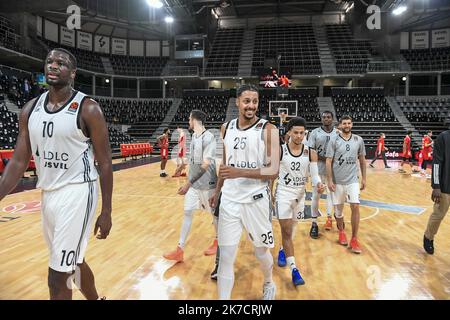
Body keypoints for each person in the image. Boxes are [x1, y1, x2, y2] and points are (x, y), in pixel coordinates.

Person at [0, 48, 113, 300]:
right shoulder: (30, 109)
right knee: (74, 262)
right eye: (49, 61)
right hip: (49, 194)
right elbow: (19, 161)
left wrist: (106, 211)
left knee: (57, 276)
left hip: (79, 192)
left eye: (60, 63)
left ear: (72, 73)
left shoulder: (88, 108)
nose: (53, 65)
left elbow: (105, 163)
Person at [209, 83, 280, 300]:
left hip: (256, 200)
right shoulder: (226, 128)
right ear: (238, 102)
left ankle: (268, 282)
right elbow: (225, 164)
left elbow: (273, 170)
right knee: (227, 257)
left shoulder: (269, 129)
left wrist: (238, 172)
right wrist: (218, 190)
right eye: (247, 101)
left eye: (255, 101)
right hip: (230, 200)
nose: (251, 106)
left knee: (261, 252)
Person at [273, 117, 324, 286]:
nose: (299, 136)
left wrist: (318, 184)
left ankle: (282, 250)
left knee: (292, 227)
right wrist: (270, 192)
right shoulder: (280, 150)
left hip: (300, 194)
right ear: (289, 132)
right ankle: (294, 269)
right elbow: (272, 174)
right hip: (284, 194)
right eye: (296, 132)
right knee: (286, 230)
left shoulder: (311, 152)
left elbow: (315, 175)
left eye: (302, 133)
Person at [163, 110, 218, 262]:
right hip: (194, 185)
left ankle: (218, 241)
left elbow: (206, 165)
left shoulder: (210, 137)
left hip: (208, 185)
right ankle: (180, 249)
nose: (188, 121)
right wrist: (183, 166)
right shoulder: (194, 136)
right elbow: (194, 157)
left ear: (194, 120)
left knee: (214, 216)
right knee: (187, 212)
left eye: (189, 118)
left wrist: (188, 182)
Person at [326, 115, 366, 254]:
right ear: (341, 125)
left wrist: (364, 178)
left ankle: (354, 238)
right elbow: (328, 161)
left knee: (355, 205)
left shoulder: (358, 140)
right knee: (338, 212)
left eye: (349, 123)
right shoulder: (334, 140)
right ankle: (341, 231)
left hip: (352, 180)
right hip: (338, 181)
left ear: (352, 124)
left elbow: (362, 160)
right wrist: (330, 180)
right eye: (344, 123)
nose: (347, 125)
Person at [307, 111, 337, 238]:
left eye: (328, 117)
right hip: (317, 169)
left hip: (333, 169)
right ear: (321, 119)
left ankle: (329, 218)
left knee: (331, 195)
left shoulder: (338, 133)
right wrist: (327, 159)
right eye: (324, 117)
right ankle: (314, 223)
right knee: (316, 196)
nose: (326, 119)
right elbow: (310, 151)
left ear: (332, 119)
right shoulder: (314, 133)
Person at [423, 129, 450, 255]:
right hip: (445, 187)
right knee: (439, 214)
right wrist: (436, 186)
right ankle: (429, 237)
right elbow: (436, 163)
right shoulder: (443, 138)